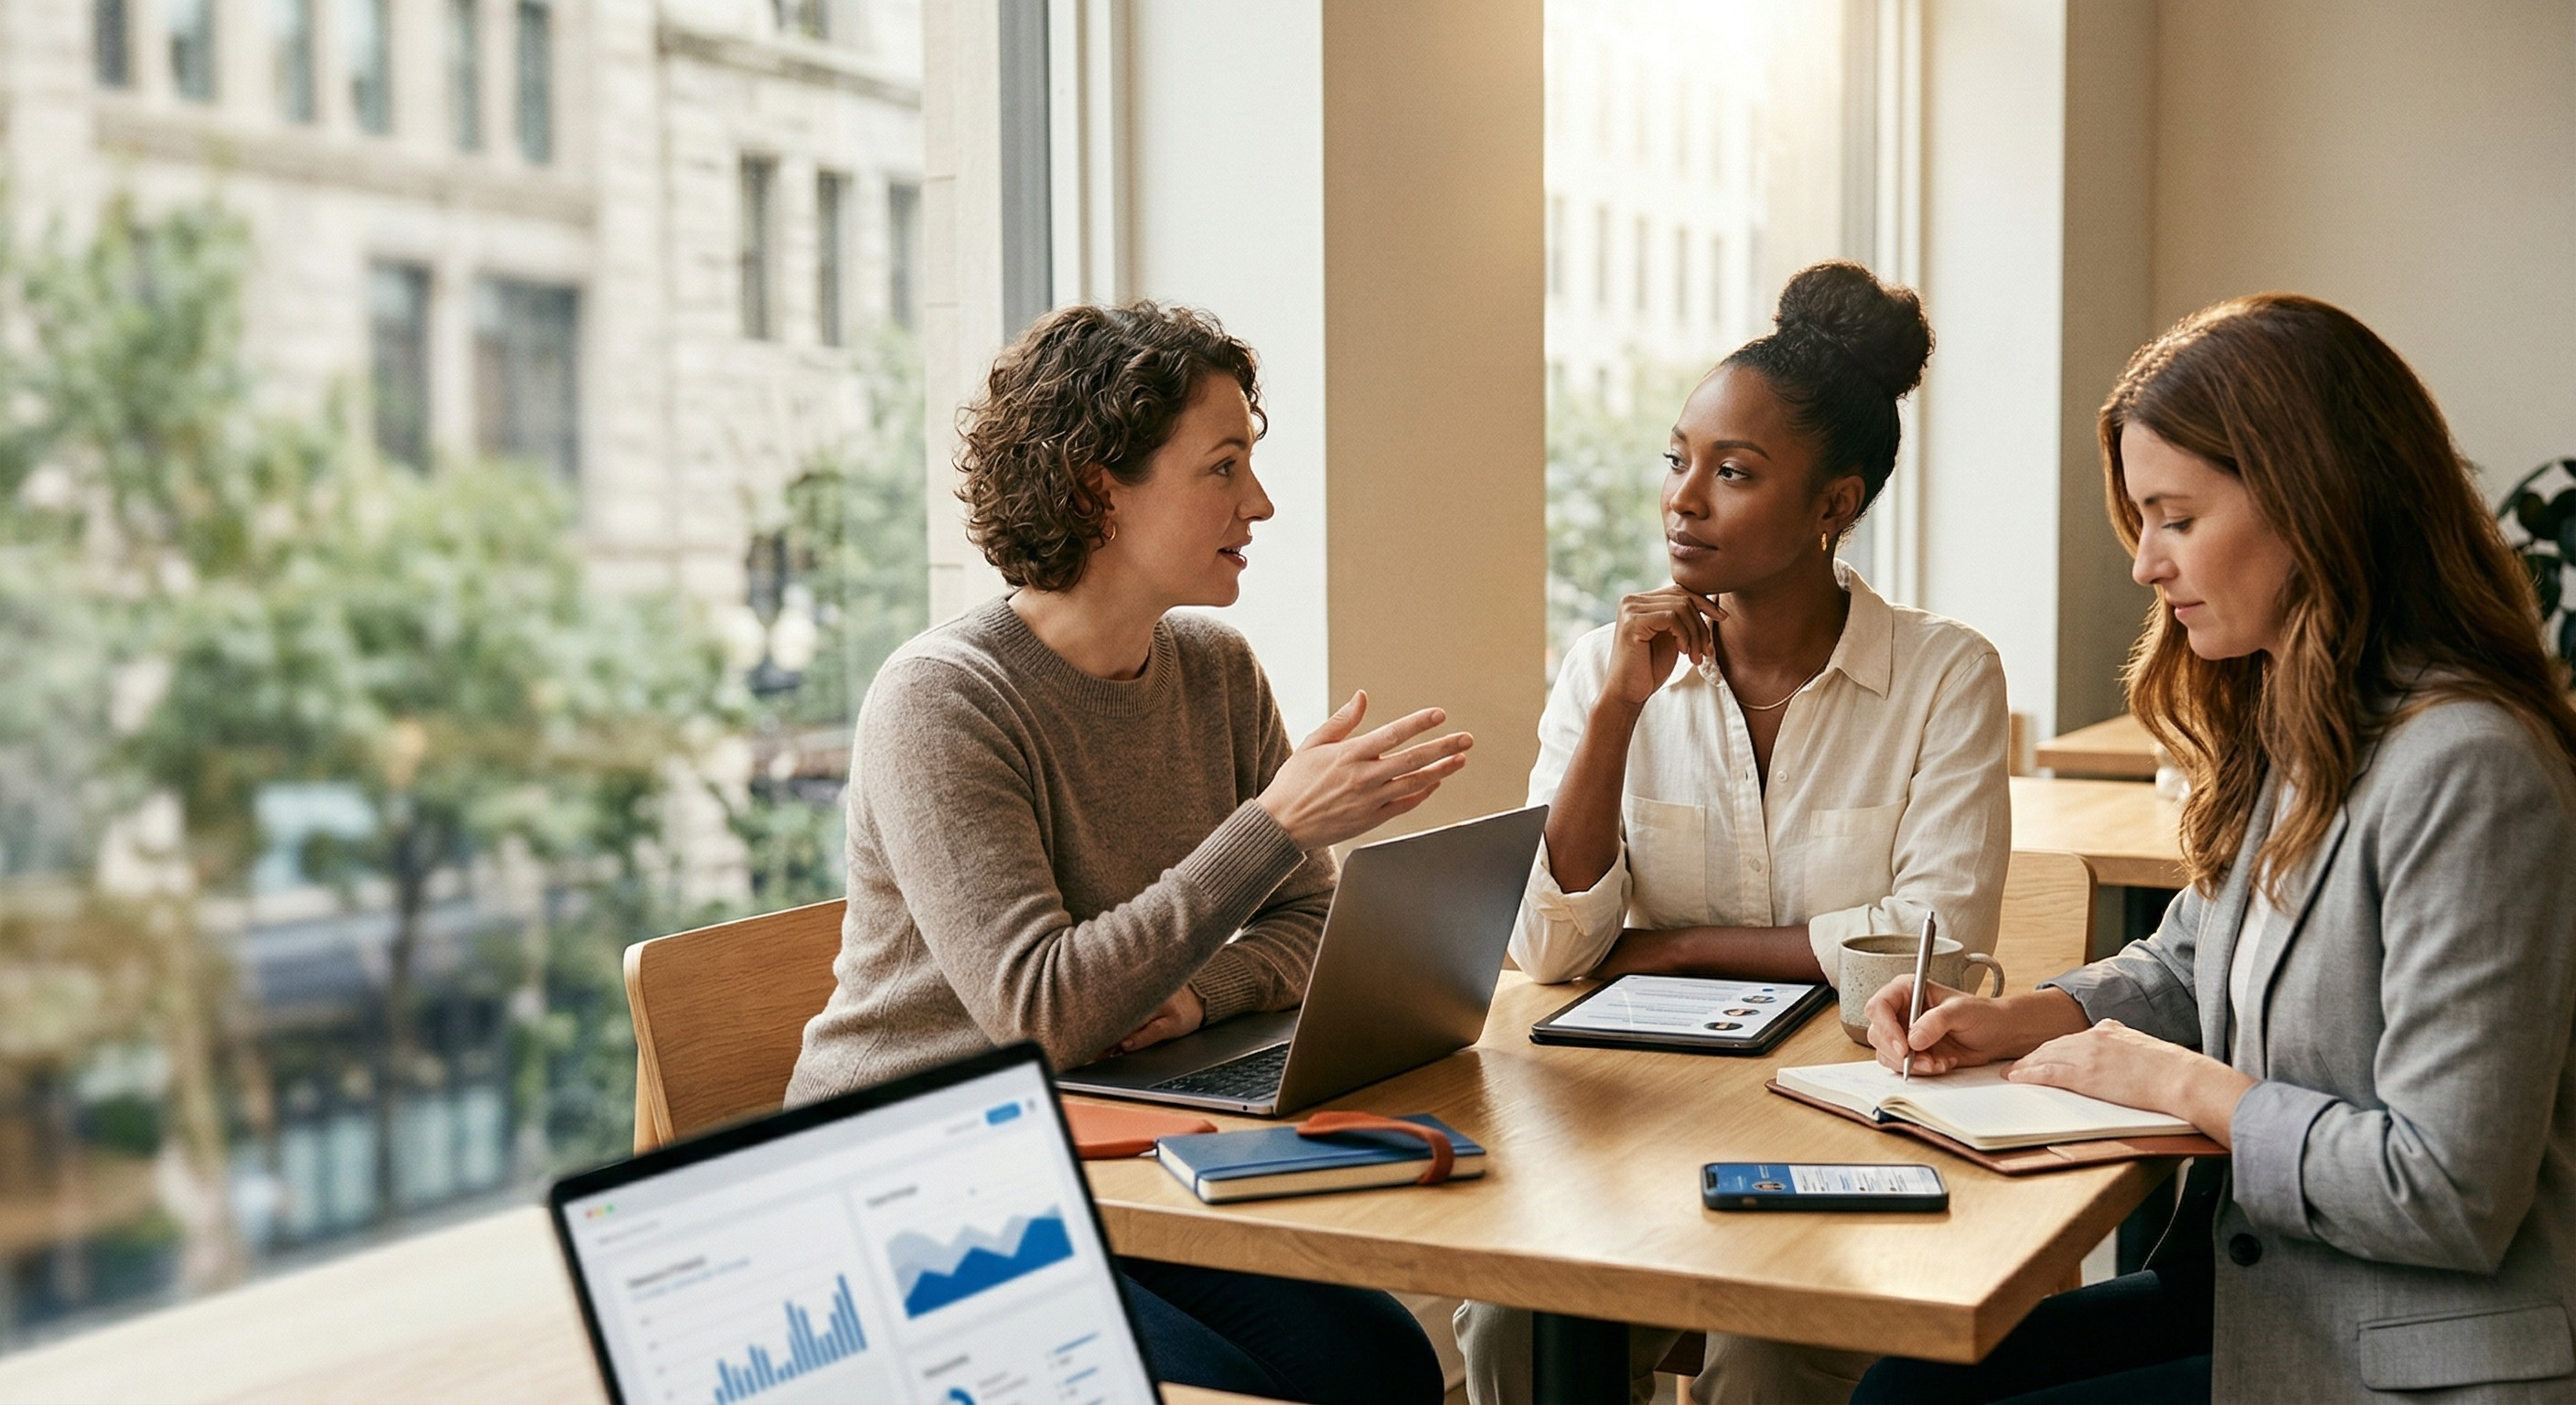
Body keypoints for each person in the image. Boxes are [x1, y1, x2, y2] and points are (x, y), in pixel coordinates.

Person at [1854, 294, 2576, 1403]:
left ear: (2314, 504)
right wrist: (2025, 1016)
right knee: (1906, 1388)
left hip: (2410, 1353)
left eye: (2175, 518)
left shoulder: (2469, 769)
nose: (2144, 564)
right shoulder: (2307, 724)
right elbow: (2189, 957)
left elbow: (2443, 1190)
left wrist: (2181, 1085)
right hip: (2280, 1290)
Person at [785, 301, 1463, 1404]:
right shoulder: (943, 700)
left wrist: (1196, 1002)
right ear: (1101, 485)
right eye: (1223, 466)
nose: (1260, 502)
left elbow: (1308, 919)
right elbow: (1040, 1013)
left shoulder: (1213, 669)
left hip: (1095, 1145)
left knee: (1377, 1362)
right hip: (913, 1179)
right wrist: (1275, 822)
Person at [1458, 261, 2012, 1405]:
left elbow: (1931, 948)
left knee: (1764, 1352)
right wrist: (1616, 711)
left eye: (1733, 472)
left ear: (1831, 505)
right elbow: (1552, 954)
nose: (1683, 499)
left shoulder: (1942, 672)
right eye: (1677, 461)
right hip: (1637, 1119)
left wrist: (1667, 947)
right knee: (1513, 1322)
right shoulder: (1601, 670)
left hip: (1857, 1128)